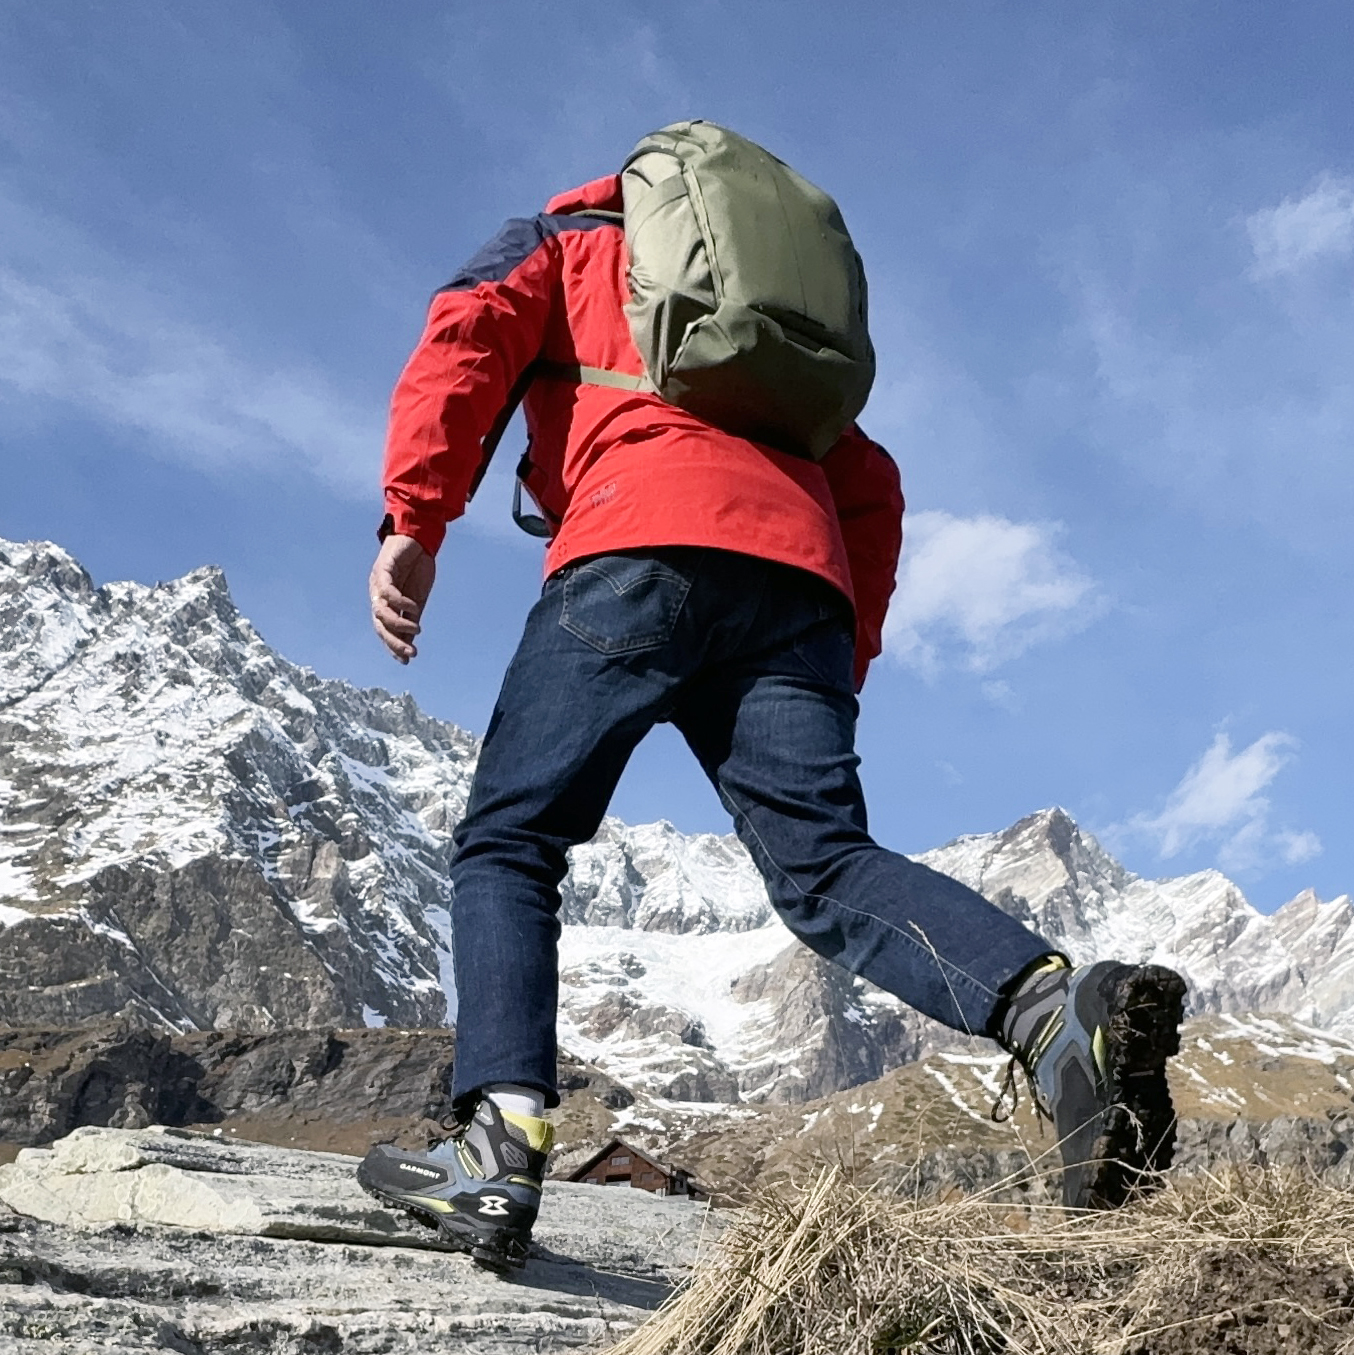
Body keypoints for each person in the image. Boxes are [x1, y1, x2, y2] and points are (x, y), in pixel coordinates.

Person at [355, 158, 1186, 1271]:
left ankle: (498, 1146)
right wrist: (838, 659)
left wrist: (415, 517)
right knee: (827, 863)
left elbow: (466, 333)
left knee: (511, 839)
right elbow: (871, 486)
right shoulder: (776, 332)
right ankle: (1049, 1008)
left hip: (632, 549)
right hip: (798, 584)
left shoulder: (565, 242)